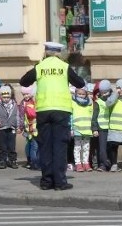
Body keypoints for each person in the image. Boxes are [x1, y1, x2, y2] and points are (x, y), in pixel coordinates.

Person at [19, 42, 86, 191]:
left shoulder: (40, 67)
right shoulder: (64, 67)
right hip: (61, 111)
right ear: (58, 53)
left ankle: (46, 181)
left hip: (43, 111)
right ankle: (60, 182)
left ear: (46, 52)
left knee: (45, 147)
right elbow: (80, 83)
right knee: (59, 146)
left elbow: (23, 81)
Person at [0, 85, 20, 169]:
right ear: (1, 97)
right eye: (4, 97)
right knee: (3, 146)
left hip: (12, 128)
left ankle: (12, 160)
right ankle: (2, 161)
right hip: (2, 128)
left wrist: (18, 126)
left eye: (8, 97)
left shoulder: (14, 105)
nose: (6, 99)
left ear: (10, 96)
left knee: (12, 146)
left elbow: (17, 116)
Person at [92, 79, 117, 172]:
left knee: (110, 147)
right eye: (102, 92)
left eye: (105, 92)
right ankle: (102, 164)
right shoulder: (98, 102)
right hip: (101, 127)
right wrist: (94, 128)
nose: (104, 94)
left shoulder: (113, 99)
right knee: (102, 148)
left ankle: (110, 163)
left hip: (111, 126)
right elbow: (94, 116)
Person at [71, 86, 94, 172]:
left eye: (83, 94)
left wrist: (92, 127)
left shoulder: (90, 103)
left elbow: (92, 115)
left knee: (86, 147)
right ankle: (78, 164)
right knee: (77, 147)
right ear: (76, 93)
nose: (81, 96)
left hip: (87, 128)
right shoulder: (72, 102)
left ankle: (86, 163)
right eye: (79, 94)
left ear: (86, 94)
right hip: (77, 128)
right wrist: (71, 128)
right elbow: (71, 115)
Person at [19, 85, 39, 170]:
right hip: (31, 127)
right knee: (33, 145)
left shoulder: (33, 102)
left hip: (33, 127)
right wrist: (21, 126)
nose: (26, 96)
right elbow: (23, 116)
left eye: (27, 94)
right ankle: (33, 162)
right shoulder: (27, 103)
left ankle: (31, 161)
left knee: (31, 145)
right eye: (24, 94)